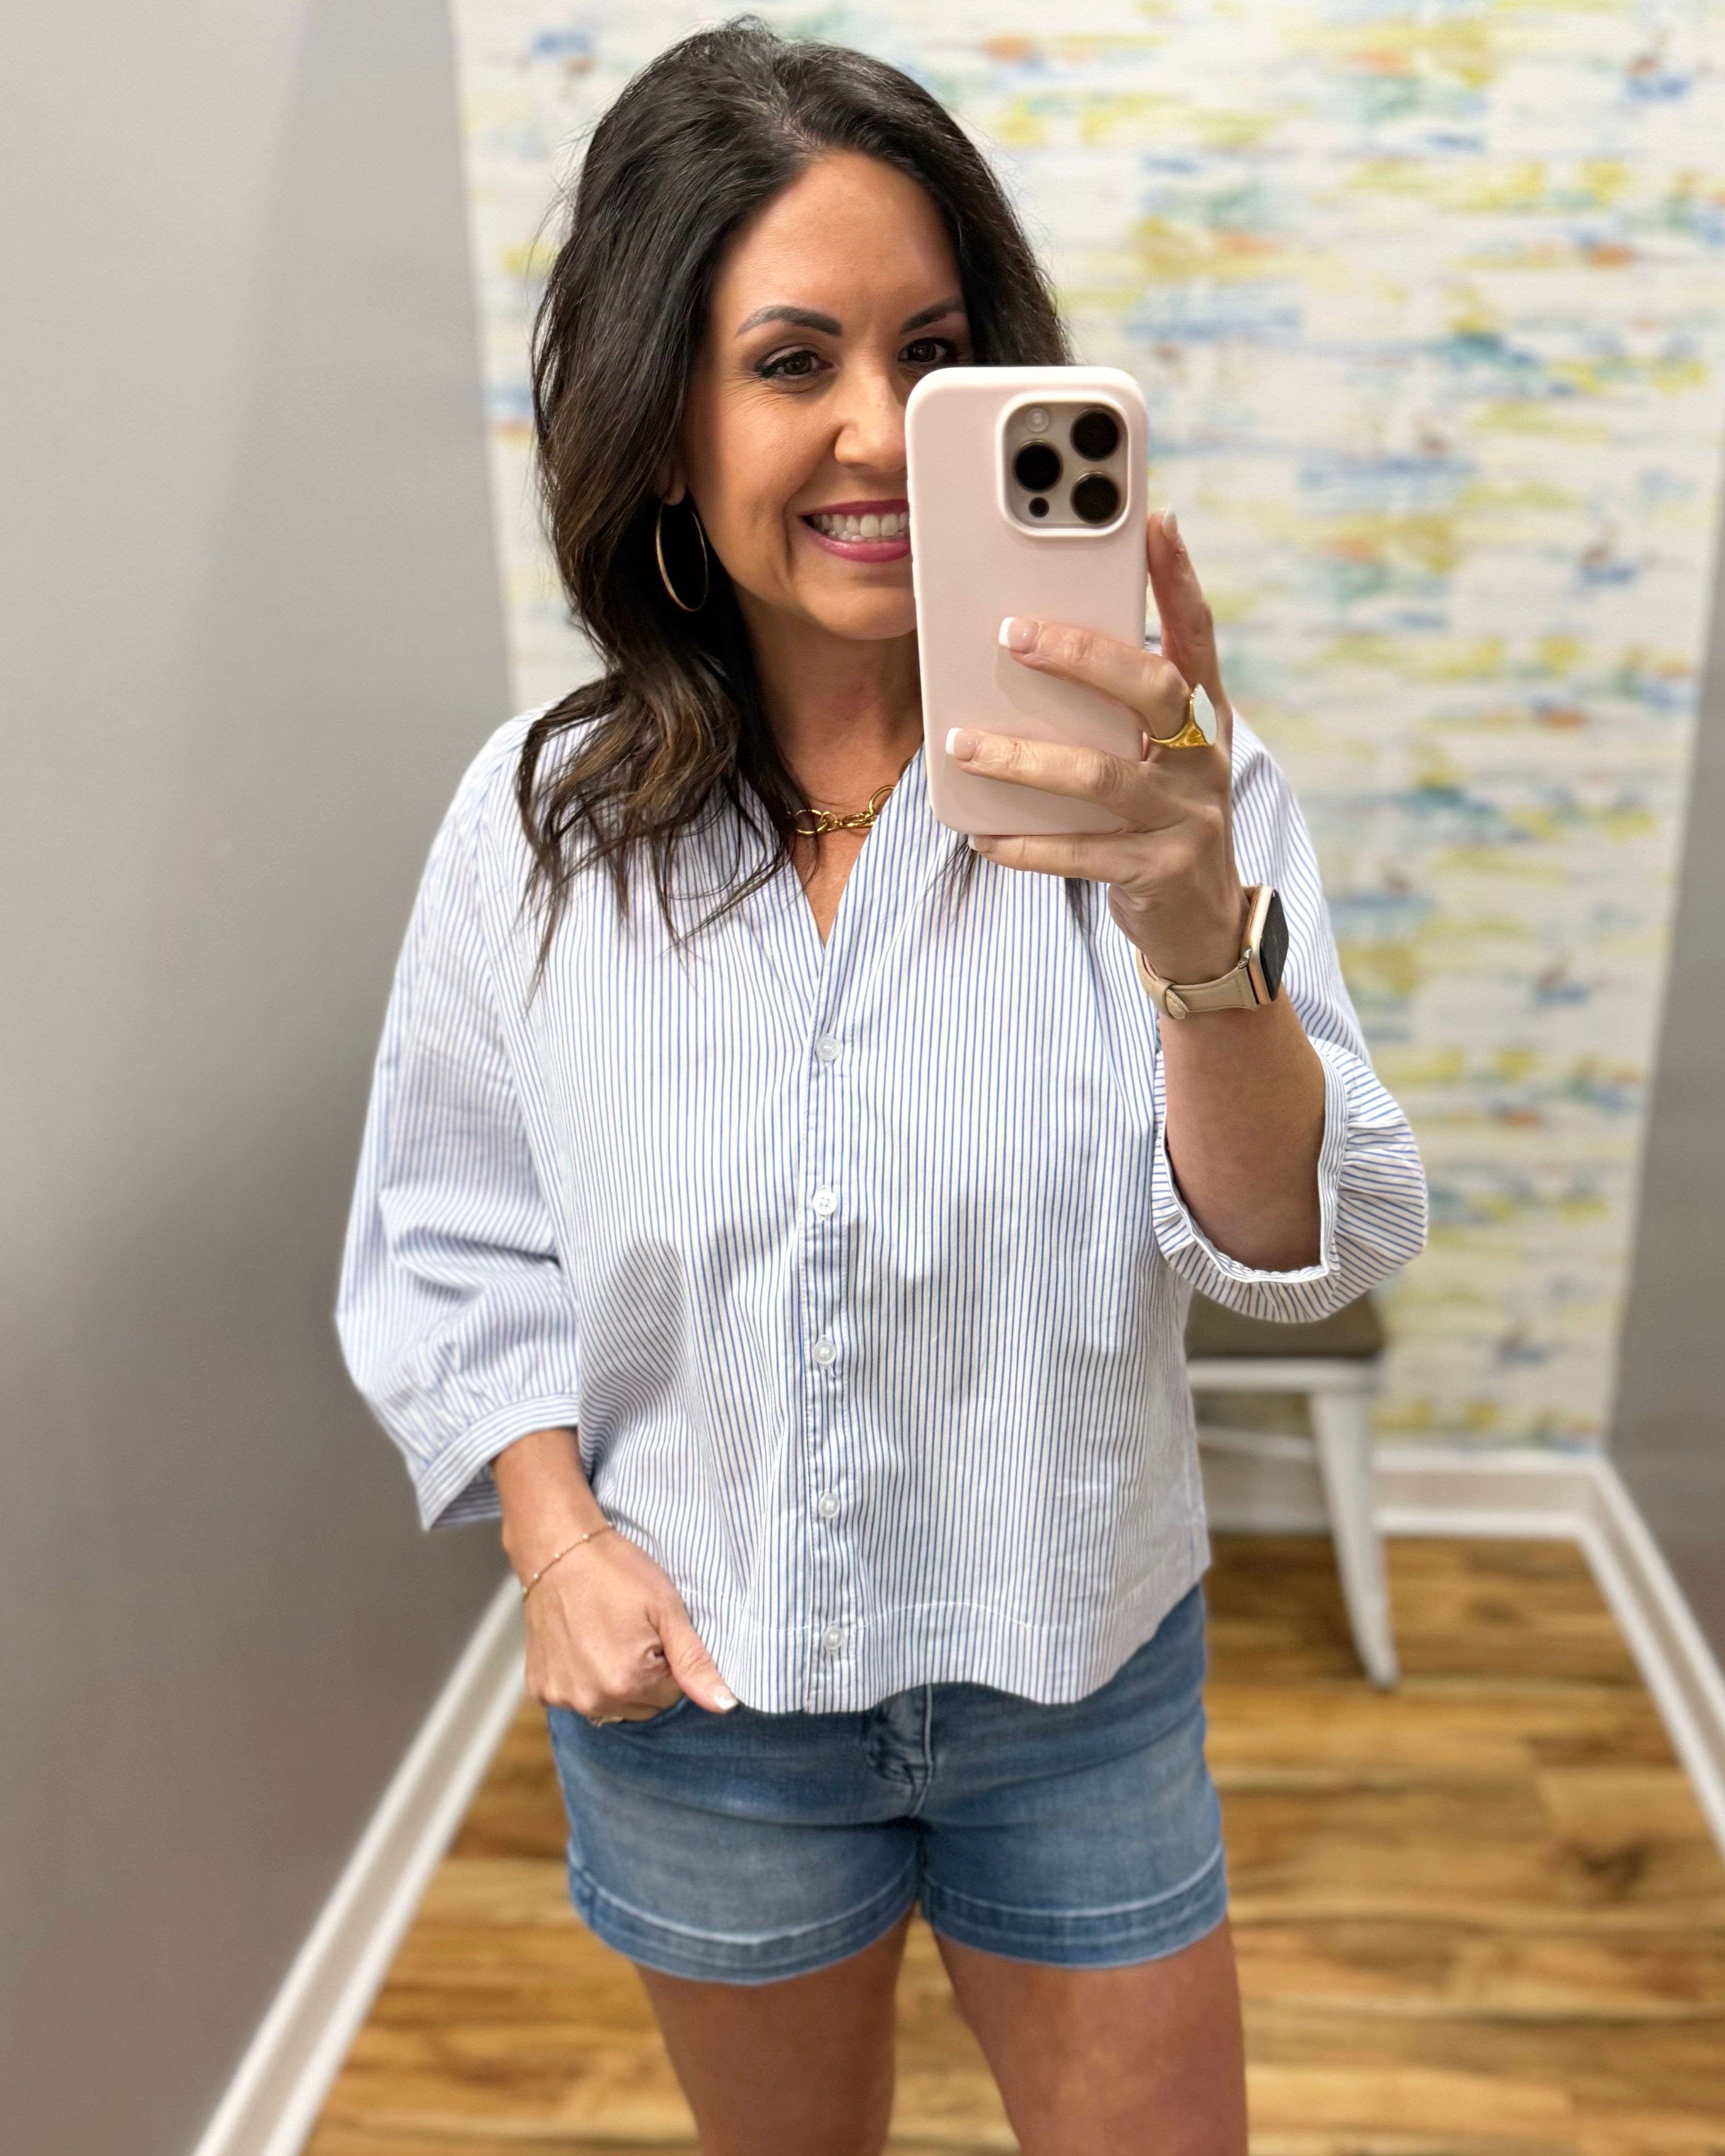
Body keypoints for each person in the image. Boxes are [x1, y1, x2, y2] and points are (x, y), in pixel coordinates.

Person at [337, 20, 1427, 2155]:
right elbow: (453, 1232)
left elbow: (1298, 1251)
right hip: (705, 1702)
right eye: (790, 361)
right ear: (663, 430)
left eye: (934, 356)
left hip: (1075, 1679)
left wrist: (1196, 932)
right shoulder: (538, 829)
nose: (878, 431)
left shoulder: (1167, 795)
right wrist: (556, 1542)